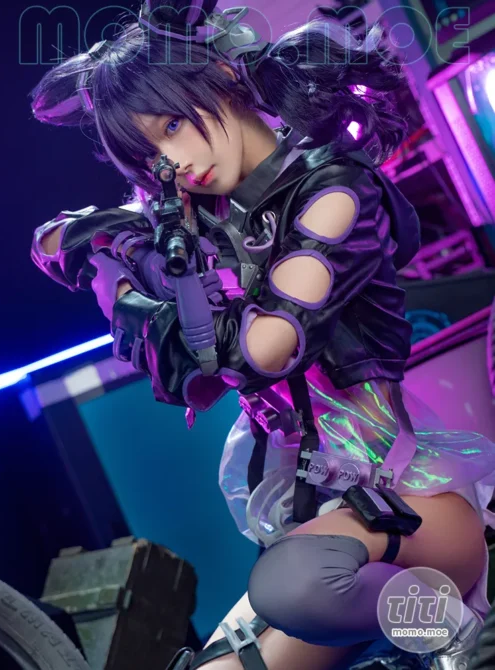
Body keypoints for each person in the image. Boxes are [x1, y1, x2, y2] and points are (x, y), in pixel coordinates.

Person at [29, 1, 495, 668]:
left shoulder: (334, 188)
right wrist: (117, 253)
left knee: (290, 586)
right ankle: (416, 637)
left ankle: (451, 631)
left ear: (221, 74)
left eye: (172, 125)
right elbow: (56, 243)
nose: (172, 161)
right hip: (318, 532)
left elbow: (264, 348)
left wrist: (135, 289)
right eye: (148, 152)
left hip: (411, 511)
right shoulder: (200, 227)